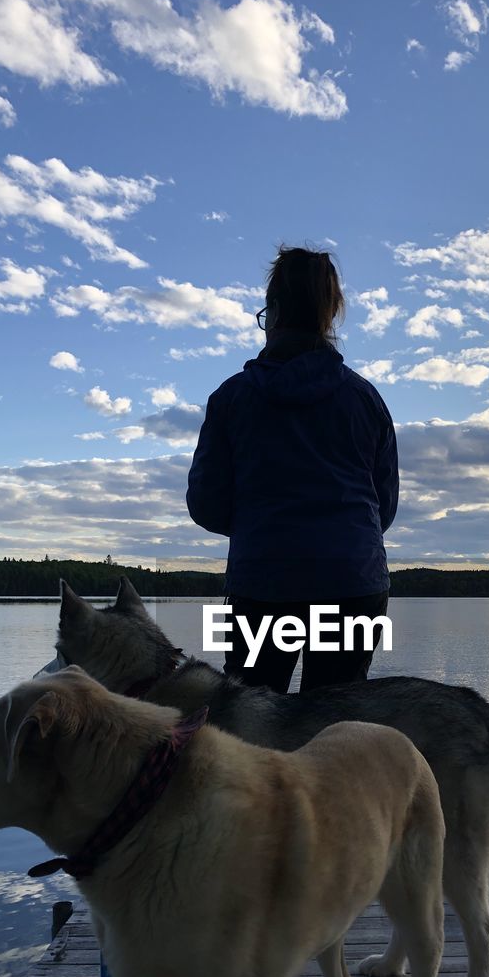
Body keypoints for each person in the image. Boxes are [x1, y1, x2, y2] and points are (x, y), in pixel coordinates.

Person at [186, 245, 399, 693]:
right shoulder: (365, 401)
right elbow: (384, 508)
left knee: (250, 732)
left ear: (275, 311)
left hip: (264, 584)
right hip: (351, 584)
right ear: (329, 315)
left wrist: (260, 524)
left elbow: (205, 504)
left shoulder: (232, 399)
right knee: (336, 727)